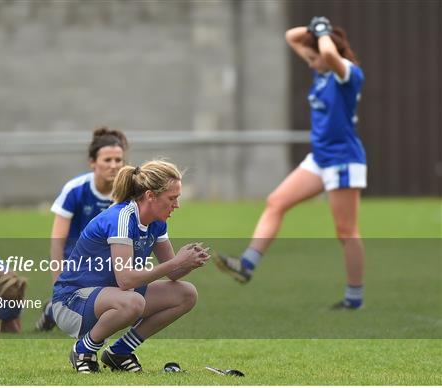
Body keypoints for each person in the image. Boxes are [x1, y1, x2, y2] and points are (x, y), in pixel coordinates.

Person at [216, 16, 367, 310]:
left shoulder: (347, 73)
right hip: (321, 158)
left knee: (346, 231)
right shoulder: (322, 73)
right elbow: (291, 37)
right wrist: (317, 28)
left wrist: (322, 37)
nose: (309, 63)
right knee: (276, 201)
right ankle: (247, 264)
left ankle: (354, 298)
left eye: (312, 59)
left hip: (344, 160)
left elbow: (326, 54)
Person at [52, 160, 209, 373]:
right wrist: (176, 262)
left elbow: (173, 273)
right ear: (150, 196)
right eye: (172, 198)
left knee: (186, 293)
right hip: (71, 302)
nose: (177, 205)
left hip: (113, 297)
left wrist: (189, 263)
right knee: (134, 301)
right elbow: (125, 280)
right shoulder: (122, 218)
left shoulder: (157, 222)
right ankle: (83, 350)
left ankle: (120, 352)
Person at [36, 127, 128, 331]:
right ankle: (54, 309)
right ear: (93, 163)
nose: (114, 166)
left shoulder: (127, 192)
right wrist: (57, 285)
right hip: (77, 268)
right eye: (107, 160)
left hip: (111, 265)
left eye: (118, 160)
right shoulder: (75, 190)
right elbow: (57, 242)